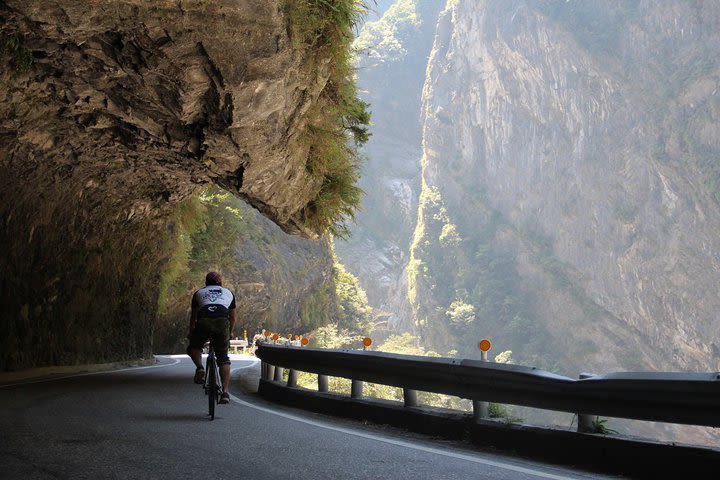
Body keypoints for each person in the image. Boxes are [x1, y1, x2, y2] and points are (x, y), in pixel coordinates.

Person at [186, 271, 236, 404]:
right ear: (220, 282)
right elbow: (232, 317)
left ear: (206, 282)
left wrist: (191, 332)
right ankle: (225, 393)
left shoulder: (199, 293)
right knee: (223, 359)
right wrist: (230, 332)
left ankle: (200, 368)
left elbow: (193, 316)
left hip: (204, 321)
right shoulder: (228, 293)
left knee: (194, 347)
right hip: (221, 322)